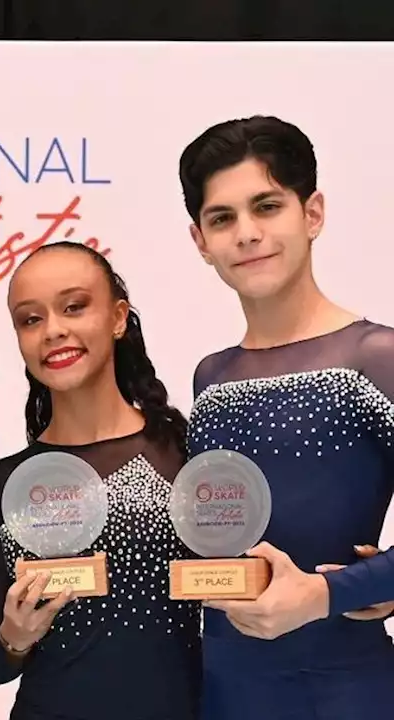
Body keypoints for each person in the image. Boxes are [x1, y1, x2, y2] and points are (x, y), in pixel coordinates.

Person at [179, 115, 394, 719]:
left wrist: (337, 591)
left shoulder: (376, 359)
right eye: (223, 218)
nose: (247, 233)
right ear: (200, 241)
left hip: (344, 693)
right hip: (223, 694)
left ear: (313, 213)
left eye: (267, 206)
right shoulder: (211, 378)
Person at [0, 241, 201, 719]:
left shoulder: (188, 454)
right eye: (30, 319)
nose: (53, 330)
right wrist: (16, 636)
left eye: (74, 307)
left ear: (118, 318)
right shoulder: (7, 482)